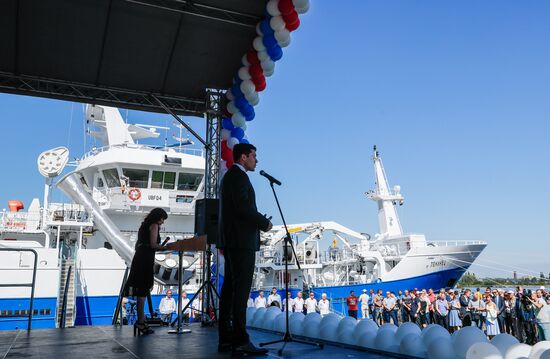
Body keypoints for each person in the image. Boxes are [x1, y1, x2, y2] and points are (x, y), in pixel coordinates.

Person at [217, 143, 273, 356]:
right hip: (241, 242)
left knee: (230, 291)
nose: (256, 160)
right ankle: (240, 340)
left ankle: (226, 339)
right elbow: (243, 207)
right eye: (253, 156)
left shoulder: (230, 177)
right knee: (240, 292)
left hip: (232, 241)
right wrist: (263, 223)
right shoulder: (239, 177)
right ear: (243, 157)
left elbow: (238, 209)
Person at [125, 208, 171, 336]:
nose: (162, 222)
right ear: (158, 217)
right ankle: (140, 321)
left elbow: (140, 244)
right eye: (162, 219)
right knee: (143, 291)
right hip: (146, 259)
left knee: (140, 290)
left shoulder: (143, 226)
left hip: (139, 257)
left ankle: (141, 320)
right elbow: (153, 245)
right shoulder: (154, 225)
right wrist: (167, 247)